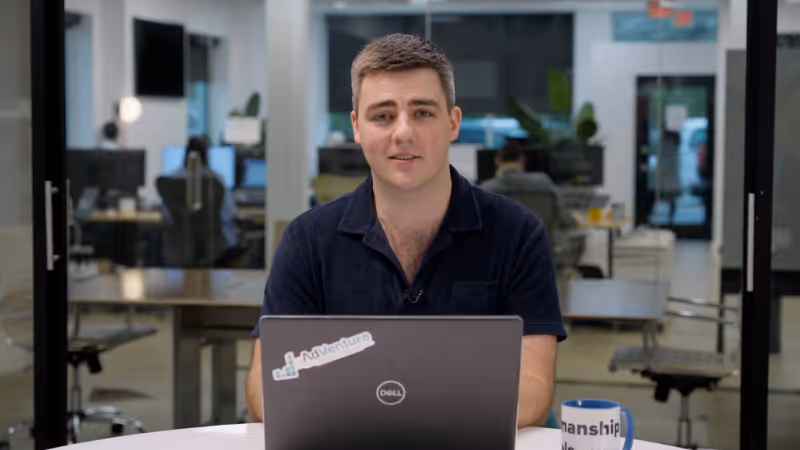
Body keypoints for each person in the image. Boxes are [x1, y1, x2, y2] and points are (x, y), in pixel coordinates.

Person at [246, 34, 566, 428]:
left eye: (422, 113)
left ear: (453, 123)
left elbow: (534, 389)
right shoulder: (308, 240)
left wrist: (400, 415)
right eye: (382, 116)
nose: (403, 133)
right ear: (357, 127)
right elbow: (267, 388)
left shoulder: (517, 233)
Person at [162, 136, 239, 251]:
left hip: (180, 247)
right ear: (206, 156)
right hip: (213, 247)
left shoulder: (172, 179)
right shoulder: (216, 180)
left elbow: (167, 215)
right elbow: (229, 213)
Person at [480, 141, 578, 229]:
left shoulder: (487, 189)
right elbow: (564, 220)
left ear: (497, 161)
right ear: (522, 160)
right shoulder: (544, 182)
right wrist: (575, 219)